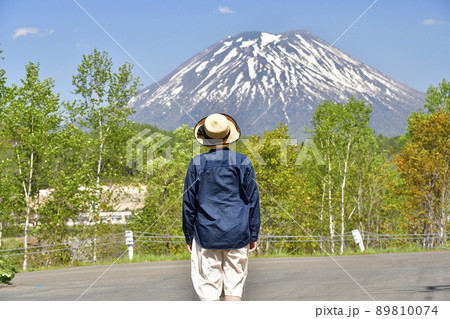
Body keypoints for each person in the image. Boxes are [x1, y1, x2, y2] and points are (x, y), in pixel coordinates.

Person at [182, 113, 261, 301]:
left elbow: (188, 204)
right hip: (237, 233)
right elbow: (253, 201)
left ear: (206, 139)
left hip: (206, 235)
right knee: (234, 289)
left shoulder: (196, 164)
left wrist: (188, 235)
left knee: (209, 291)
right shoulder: (243, 162)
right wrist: (253, 233)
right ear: (228, 137)